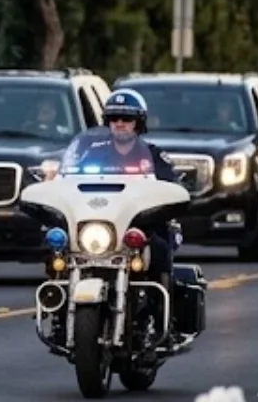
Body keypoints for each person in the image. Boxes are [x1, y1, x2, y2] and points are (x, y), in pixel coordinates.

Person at [60, 89, 180, 278]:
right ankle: (58, 293)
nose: (120, 124)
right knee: (56, 243)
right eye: (114, 119)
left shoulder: (155, 156)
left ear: (138, 123)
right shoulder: (91, 154)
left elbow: (172, 188)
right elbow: (69, 180)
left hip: (138, 224)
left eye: (126, 119)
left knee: (159, 248)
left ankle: (159, 296)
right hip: (96, 223)